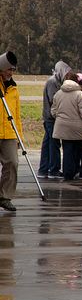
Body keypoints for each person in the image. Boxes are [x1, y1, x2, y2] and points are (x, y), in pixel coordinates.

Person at [51, 72, 82, 181]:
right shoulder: (80, 95)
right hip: (78, 127)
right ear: (76, 81)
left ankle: (68, 174)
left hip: (62, 126)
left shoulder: (58, 93)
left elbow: (53, 111)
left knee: (67, 150)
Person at [38, 60, 71, 179]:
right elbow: (54, 99)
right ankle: (54, 170)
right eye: (66, 72)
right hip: (51, 118)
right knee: (54, 144)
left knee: (48, 144)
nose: (67, 75)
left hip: (50, 117)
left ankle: (43, 170)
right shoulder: (53, 82)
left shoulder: (56, 81)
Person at [0, 63, 22, 211]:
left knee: (12, 163)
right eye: (9, 69)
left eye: (13, 70)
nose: (11, 73)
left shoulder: (14, 89)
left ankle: (4, 197)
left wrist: (18, 136)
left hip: (9, 133)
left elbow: (16, 115)